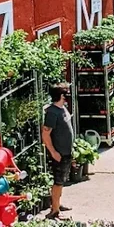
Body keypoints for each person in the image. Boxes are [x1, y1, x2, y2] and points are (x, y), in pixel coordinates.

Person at [42, 83, 74, 219]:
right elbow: (45, 134)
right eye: (66, 93)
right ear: (61, 96)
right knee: (58, 181)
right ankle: (54, 210)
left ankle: (57, 203)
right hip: (59, 154)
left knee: (62, 180)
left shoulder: (62, 108)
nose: (68, 95)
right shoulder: (52, 112)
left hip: (66, 152)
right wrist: (53, 152)